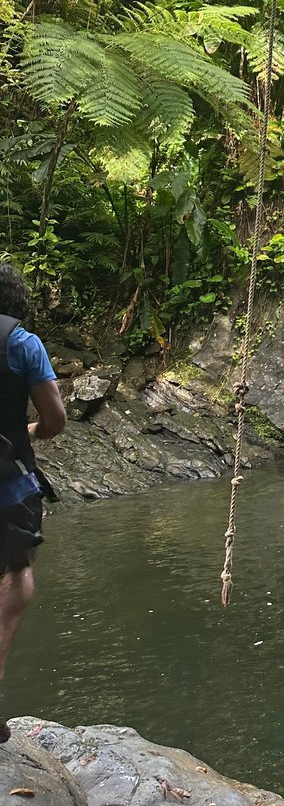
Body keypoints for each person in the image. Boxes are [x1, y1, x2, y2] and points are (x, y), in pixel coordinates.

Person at [0, 263, 66, 737]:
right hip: (7, 482)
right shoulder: (22, 343)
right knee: (17, 574)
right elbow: (55, 419)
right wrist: (33, 431)